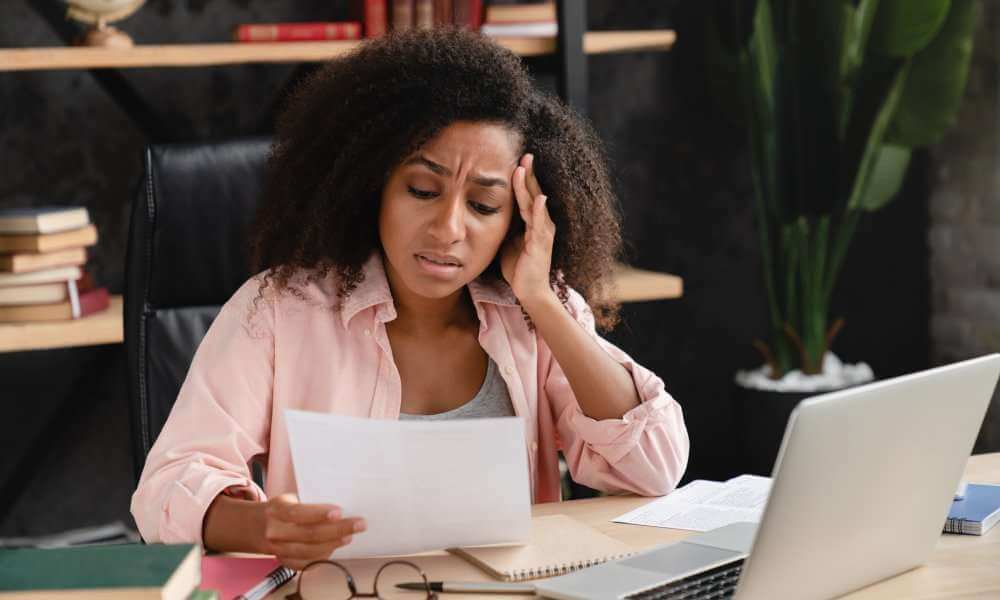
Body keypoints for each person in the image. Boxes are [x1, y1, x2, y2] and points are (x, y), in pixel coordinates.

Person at [131, 28, 689, 569]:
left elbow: (651, 468)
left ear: (518, 218)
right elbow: (165, 487)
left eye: (484, 206)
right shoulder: (280, 309)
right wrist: (260, 526)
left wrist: (545, 305)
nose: (448, 228)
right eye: (423, 190)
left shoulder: (535, 313)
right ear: (372, 183)